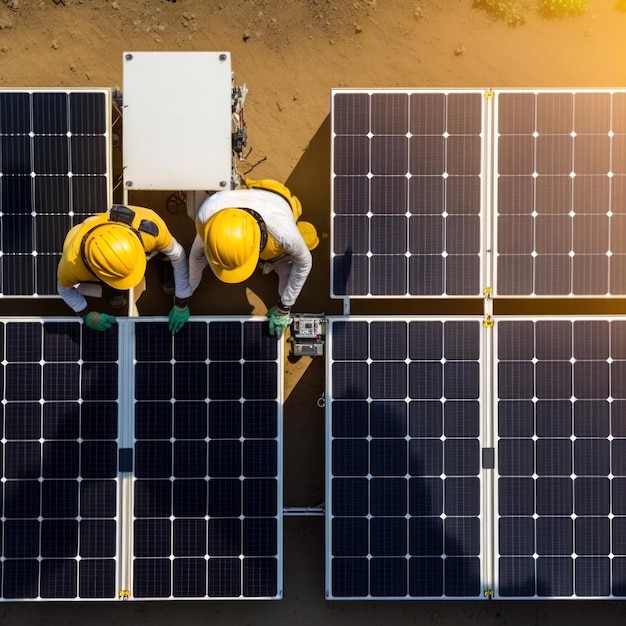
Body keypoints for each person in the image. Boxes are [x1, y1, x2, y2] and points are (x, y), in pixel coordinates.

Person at [188, 178, 318, 337]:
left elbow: (304, 263)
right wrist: (185, 293)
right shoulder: (208, 219)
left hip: (278, 200)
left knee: (285, 276)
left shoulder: (284, 234)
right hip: (243, 196)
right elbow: (196, 255)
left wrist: (284, 307)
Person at [57, 204, 192, 333]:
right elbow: (63, 290)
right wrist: (86, 315)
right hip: (93, 261)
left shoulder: (151, 228)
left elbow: (177, 255)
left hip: (146, 243)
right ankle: (114, 288)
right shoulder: (71, 266)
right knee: (116, 298)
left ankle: (163, 266)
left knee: (164, 252)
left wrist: (181, 302)